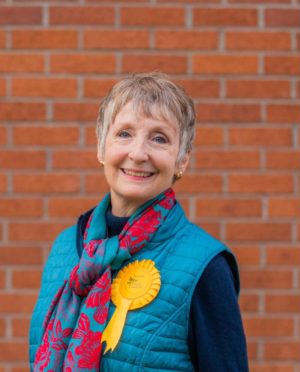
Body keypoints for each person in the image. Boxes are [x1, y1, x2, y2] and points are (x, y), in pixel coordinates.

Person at [29, 73, 249, 371]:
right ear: (100, 147)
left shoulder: (206, 266)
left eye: (159, 138)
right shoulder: (64, 249)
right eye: (124, 134)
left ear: (182, 160)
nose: (138, 153)